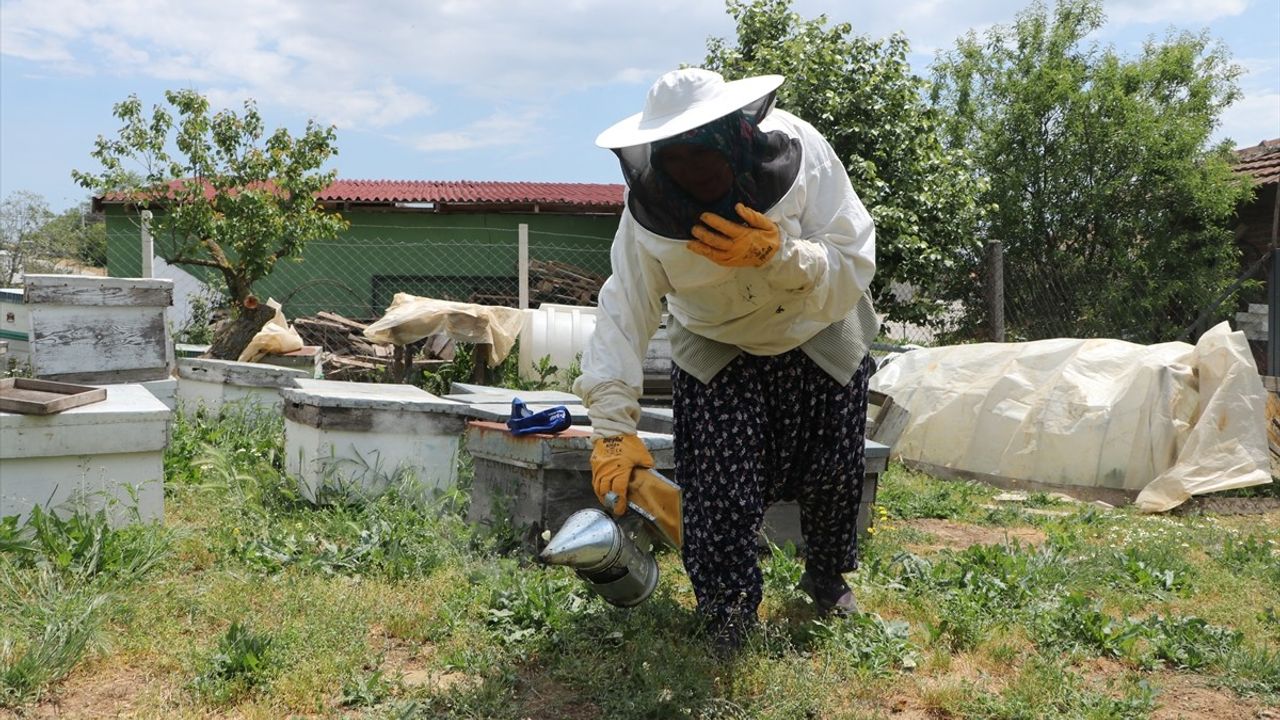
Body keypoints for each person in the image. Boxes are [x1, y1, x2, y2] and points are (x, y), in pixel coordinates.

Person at [573, 68, 879, 650]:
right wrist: (612, 429)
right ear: (655, 158)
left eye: (702, 155)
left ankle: (827, 579)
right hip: (718, 343)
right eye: (678, 159)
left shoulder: (804, 151)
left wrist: (781, 255)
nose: (693, 172)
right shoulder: (645, 213)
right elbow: (624, 307)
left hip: (815, 323)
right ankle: (729, 610)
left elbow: (853, 255)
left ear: (735, 136)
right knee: (719, 492)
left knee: (834, 474)